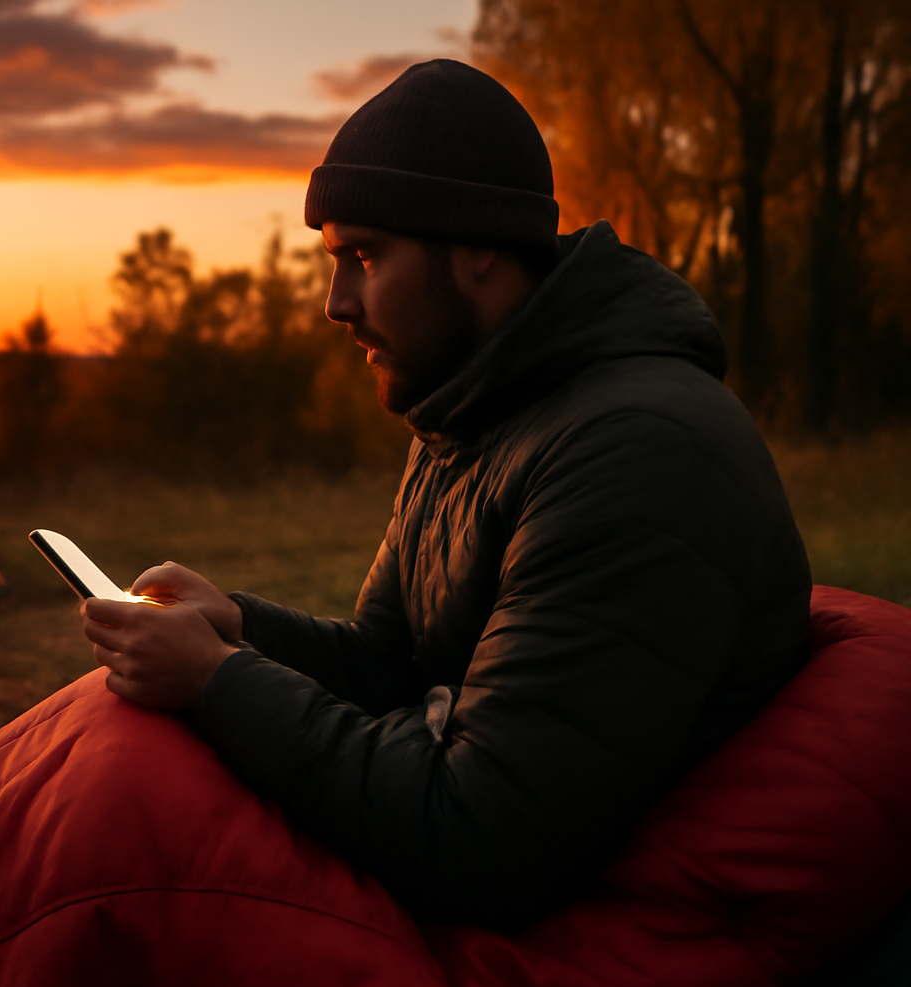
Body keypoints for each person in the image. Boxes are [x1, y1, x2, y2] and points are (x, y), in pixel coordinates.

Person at [81, 58, 812, 930]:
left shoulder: (639, 452)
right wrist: (240, 628)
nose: (334, 303)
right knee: (85, 764)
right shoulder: (473, 408)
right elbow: (396, 670)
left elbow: (484, 837)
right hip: (479, 879)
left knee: (114, 844)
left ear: (479, 248)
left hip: (580, 941)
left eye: (363, 256)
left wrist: (219, 683)